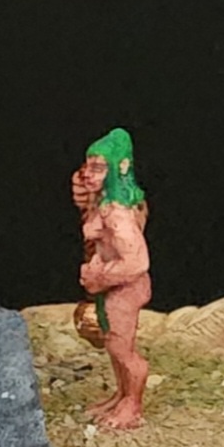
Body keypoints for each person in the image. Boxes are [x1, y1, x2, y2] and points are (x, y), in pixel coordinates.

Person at [72, 128, 152, 431]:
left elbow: (137, 261)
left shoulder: (118, 213)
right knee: (113, 345)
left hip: (124, 289)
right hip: (111, 288)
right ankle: (122, 395)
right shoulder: (106, 203)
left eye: (98, 168)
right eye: (88, 166)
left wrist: (99, 277)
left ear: (119, 168)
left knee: (123, 350)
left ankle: (132, 405)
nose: (89, 173)